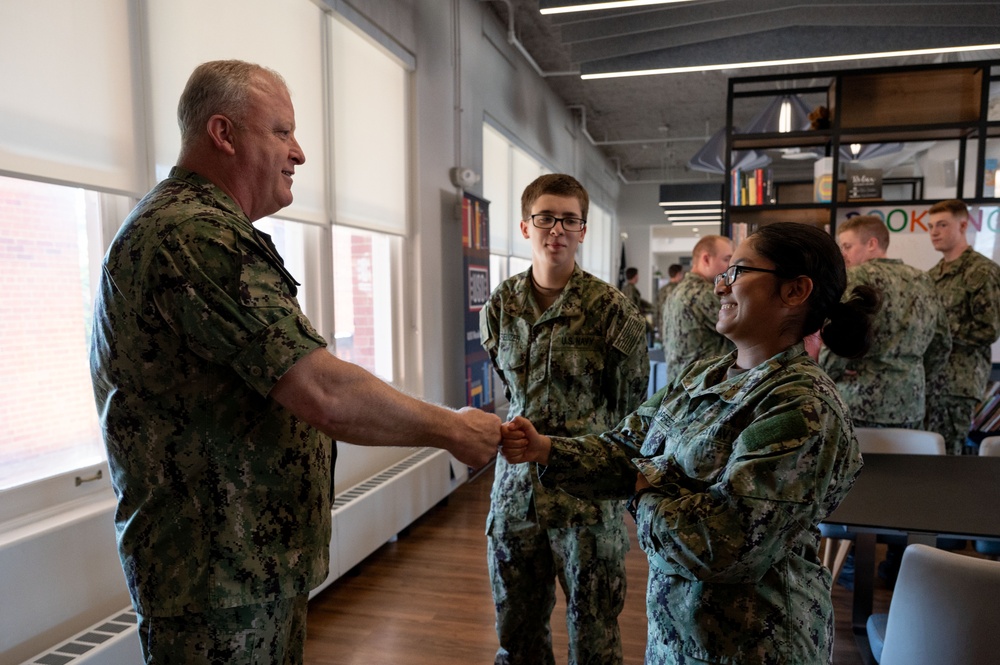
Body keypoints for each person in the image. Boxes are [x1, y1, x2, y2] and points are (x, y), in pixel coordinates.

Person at [89, 60, 500, 665]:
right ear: (224, 134)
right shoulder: (193, 233)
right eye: (281, 132)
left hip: (241, 569)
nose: (299, 153)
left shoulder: (201, 227)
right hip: (216, 580)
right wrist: (453, 429)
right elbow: (322, 391)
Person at [500, 221, 878, 664]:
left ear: (795, 291)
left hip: (755, 645)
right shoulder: (705, 374)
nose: (719, 285)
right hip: (677, 637)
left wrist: (640, 490)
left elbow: (720, 545)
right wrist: (545, 448)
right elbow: (626, 445)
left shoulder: (802, 406)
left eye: (737, 272)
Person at [480, 174, 649, 665]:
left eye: (569, 219)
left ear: (583, 230)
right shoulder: (501, 305)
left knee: (594, 635)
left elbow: (629, 410)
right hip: (516, 497)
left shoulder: (614, 312)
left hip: (586, 501)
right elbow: (510, 389)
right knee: (516, 631)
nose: (557, 229)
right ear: (524, 226)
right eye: (545, 217)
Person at [820, 214, 950, 428]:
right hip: (910, 403)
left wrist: (830, 372)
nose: (843, 254)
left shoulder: (855, 277)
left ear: (872, 244)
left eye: (847, 246)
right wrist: (912, 373)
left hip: (860, 400)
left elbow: (840, 338)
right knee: (905, 462)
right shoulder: (924, 279)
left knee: (859, 462)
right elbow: (942, 342)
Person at [924, 199, 1000, 454]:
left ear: (963, 225)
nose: (934, 232)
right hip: (928, 380)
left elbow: (988, 329)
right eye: (931, 226)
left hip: (958, 383)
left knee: (949, 459)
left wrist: (941, 332)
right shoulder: (932, 275)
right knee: (924, 455)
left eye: (942, 225)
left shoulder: (981, 271)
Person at [661, 234, 734, 384]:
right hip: (701, 388)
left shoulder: (676, 291)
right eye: (726, 259)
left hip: (680, 388)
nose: (730, 267)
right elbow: (747, 331)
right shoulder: (704, 293)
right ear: (706, 259)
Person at [654, 263, 683, 344]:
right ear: (678, 274)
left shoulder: (661, 290)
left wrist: (658, 326)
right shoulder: (680, 290)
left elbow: (656, 310)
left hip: (662, 327)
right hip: (676, 328)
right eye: (681, 274)